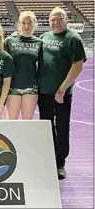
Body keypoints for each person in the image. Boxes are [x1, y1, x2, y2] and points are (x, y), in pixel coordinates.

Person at [39, 7, 86, 179]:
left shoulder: (73, 38)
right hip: (43, 93)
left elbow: (78, 65)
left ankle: (60, 162)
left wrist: (63, 88)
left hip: (61, 94)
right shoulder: (44, 37)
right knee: (46, 127)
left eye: (59, 19)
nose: (55, 22)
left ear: (66, 20)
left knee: (62, 127)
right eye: (52, 19)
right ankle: (48, 157)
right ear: (49, 20)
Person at [4, 11, 43, 119]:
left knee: (27, 122)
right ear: (19, 24)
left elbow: (43, 66)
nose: (26, 26)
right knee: (12, 121)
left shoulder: (39, 42)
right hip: (12, 87)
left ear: (34, 23)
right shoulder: (9, 41)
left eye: (30, 22)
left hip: (31, 87)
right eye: (23, 23)